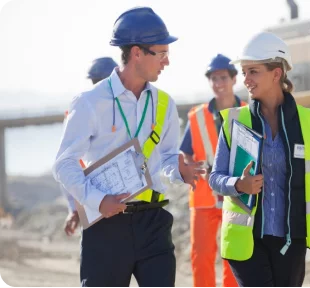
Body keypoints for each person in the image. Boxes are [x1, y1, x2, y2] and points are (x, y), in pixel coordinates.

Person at [52, 7, 204, 288]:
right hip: (106, 227)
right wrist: (97, 201)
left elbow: (167, 159)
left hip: (154, 222)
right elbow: (64, 164)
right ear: (137, 53)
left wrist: (179, 171)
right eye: (161, 53)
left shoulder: (164, 104)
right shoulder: (89, 103)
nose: (167, 62)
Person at [209, 31, 310, 287]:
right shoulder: (235, 121)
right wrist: (239, 184)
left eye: (253, 71)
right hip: (246, 240)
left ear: (276, 73)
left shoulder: (306, 122)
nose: (245, 79)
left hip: (290, 242)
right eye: (244, 72)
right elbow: (214, 178)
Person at [180, 54, 244, 288]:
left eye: (223, 78)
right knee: (202, 256)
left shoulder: (249, 112)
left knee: (234, 256)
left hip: (239, 196)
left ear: (234, 79)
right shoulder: (196, 117)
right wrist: (194, 170)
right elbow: (185, 153)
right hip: (205, 198)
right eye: (214, 78)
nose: (218, 83)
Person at [61, 57, 119, 237]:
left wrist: (74, 208)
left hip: (119, 202)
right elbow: (68, 165)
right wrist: (74, 208)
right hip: (93, 203)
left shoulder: (125, 111)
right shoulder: (79, 113)